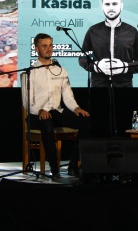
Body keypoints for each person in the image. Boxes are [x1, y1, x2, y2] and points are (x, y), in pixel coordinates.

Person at [23, 33, 91, 179]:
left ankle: (73, 165)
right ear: (36, 49)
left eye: (51, 45)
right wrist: (40, 110)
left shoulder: (60, 70)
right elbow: (27, 101)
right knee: (47, 123)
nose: (49, 49)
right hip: (36, 115)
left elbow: (67, 96)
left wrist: (76, 108)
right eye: (44, 46)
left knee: (85, 121)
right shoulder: (30, 73)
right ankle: (54, 169)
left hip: (56, 112)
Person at [78, 0, 138, 87]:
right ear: (102, 6)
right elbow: (82, 58)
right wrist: (96, 66)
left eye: (114, 4)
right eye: (107, 4)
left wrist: (124, 67)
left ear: (121, 6)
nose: (111, 8)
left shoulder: (132, 32)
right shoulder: (92, 31)